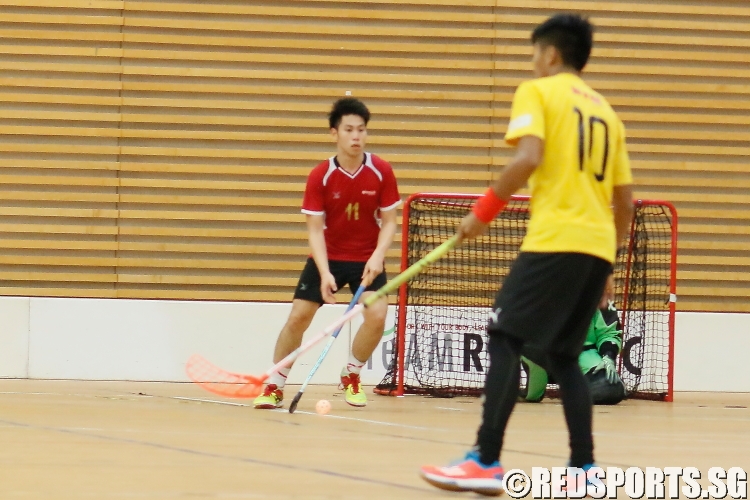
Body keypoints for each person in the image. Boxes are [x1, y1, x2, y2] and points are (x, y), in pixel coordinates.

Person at [420, 14, 634, 495]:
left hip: (555, 239)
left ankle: (485, 459)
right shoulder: (607, 113)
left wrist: (483, 211)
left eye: (535, 52)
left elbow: (528, 158)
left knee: (503, 337)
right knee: (562, 354)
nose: (532, 62)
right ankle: (583, 468)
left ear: (551, 54)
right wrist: (609, 264)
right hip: (596, 248)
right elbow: (626, 203)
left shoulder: (538, 92)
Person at [253, 97, 401, 409]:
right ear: (334, 133)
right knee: (298, 316)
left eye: (361, 130)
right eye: (349, 129)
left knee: (377, 314)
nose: (356, 136)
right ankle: (275, 384)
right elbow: (314, 230)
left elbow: (389, 223)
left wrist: (377, 256)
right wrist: (324, 273)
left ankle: (352, 374)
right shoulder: (320, 175)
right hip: (328, 257)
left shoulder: (381, 171)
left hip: (366, 259)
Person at [520, 295, 628, 406]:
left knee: (612, 388)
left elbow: (609, 333)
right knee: (525, 342)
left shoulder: (599, 293)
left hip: (584, 356)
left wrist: (608, 355)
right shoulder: (541, 288)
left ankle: (574, 390)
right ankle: (534, 391)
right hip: (546, 354)